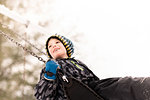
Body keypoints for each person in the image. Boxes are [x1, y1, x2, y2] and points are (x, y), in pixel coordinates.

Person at [34, 34, 150, 100]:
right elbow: (42, 96)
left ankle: (144, 88)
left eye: (57, 43)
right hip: (69, 95)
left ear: (66, 47)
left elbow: (97, 81)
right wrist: (49, 75)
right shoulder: (50, 68)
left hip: (91, 90)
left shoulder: (78, 63)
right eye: (50, 46)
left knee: (121, 85)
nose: (53, 46)